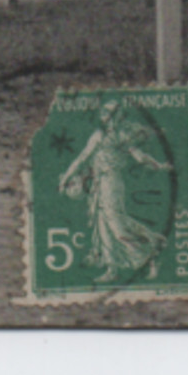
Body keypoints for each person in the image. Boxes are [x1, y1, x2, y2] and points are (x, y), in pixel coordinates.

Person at [58, 99, 173, 283]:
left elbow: (140, 157)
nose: (103, 116)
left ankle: (150, 255)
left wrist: (158, 166)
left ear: (115, 116)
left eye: (107, 113)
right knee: (104, 225)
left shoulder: (123, 136)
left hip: (112, 183)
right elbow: (82, 158)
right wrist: (66, 178)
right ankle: (112, 268)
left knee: (117, 225)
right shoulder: (98, 135)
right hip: (98, 184)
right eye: (103, 112)